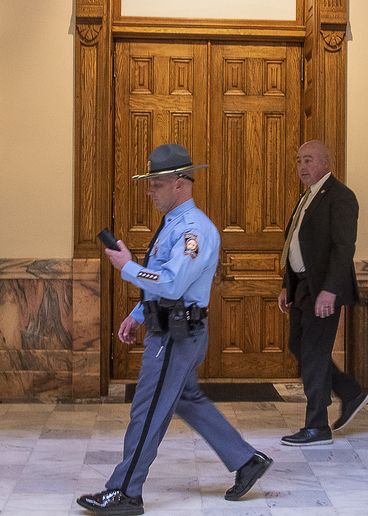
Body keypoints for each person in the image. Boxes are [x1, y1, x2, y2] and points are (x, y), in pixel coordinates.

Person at [78, 144, 272, 515]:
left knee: (148, 409)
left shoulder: (193, 229)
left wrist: (127, 266)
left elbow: (171, 283)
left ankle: (124, 492)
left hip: (175, 334)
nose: (150, 192)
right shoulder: (174, 223)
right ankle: (246, 461)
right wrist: (137, 312)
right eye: (149, 184)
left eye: (157, 184)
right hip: (170, 325)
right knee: (185, 398)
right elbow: (162, 283)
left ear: (180, 184)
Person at [278, 140, 368, 446]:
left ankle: (317, 425)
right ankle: (348, 390)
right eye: (299, 160)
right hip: (302, 288)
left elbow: (343, 248)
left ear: (326, 163)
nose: (302, 166)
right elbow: (296, 244)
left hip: (323, 290)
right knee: (299, 347)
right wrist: (286, 286)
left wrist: (330, 290)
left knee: (315, 356)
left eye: (309, 160)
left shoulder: (341, 197)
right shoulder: (306, 198)